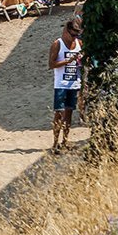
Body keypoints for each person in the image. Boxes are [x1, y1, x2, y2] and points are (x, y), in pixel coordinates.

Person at [50, 17, 84, 152]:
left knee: (69, 113)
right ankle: (55, 143)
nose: (75, 37)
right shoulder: (57, 44)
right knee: (59, 114)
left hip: (74, 83)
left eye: (77, 34)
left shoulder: (79, 43)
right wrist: (67, 61)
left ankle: (65, 141)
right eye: (73, 34)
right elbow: (51, 64)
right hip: (61, 84)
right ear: (66, 31)